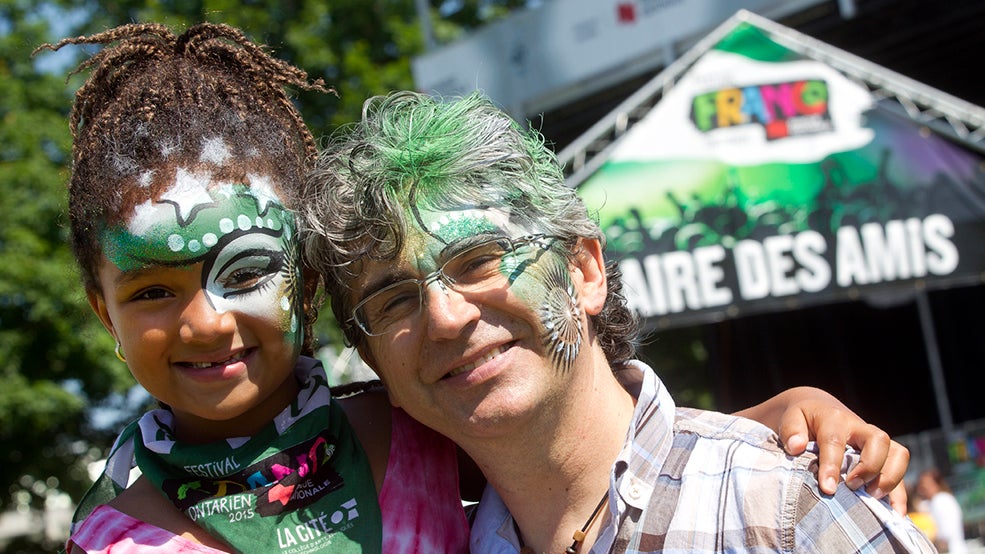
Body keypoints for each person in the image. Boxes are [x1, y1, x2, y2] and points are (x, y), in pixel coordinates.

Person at [42, 22, 909, 554]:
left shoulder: (404, 437)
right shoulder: (113, 527)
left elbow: (608, 454)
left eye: (476, 261)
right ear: (100, 308)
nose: (204, 321)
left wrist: (763, 433)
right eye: (153, 290)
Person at [300, 90, 936, 553]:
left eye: (477, 261)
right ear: (377, 361)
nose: (444, 316)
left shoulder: (787, 513)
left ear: (583, 271)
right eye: (392, 301)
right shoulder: (444, 543)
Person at [40, 23, 469, 553]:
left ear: (306, 279)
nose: (207, 323)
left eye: (245, 274)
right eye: (152, 292)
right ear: (107, 316)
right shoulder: (111, 544)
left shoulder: (432, 428)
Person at [918, 469, 966, 553]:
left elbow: (946, 534)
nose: (921, 490)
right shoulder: (934, 502)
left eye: (925, 485)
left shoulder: (941, 500)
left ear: (936, 484)